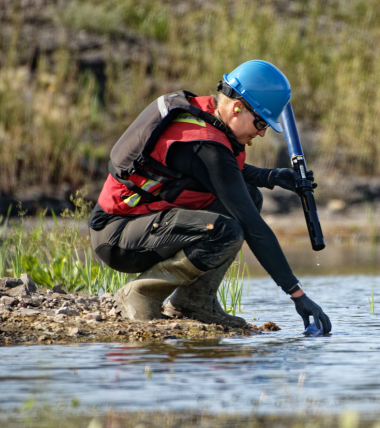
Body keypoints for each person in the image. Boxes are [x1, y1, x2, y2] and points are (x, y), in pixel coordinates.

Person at [88, 60, 332, 334]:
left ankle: (195, 302)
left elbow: (219, 171)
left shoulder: (207, 116)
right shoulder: (203, 143)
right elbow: (252, 225)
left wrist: (272, 177)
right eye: (261, 122)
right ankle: (142, 294)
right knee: (225, 231)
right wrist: (298, 296)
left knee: (250, 197)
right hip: (117, 238)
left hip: (141, 224)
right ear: (237, 107)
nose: (262, 133)